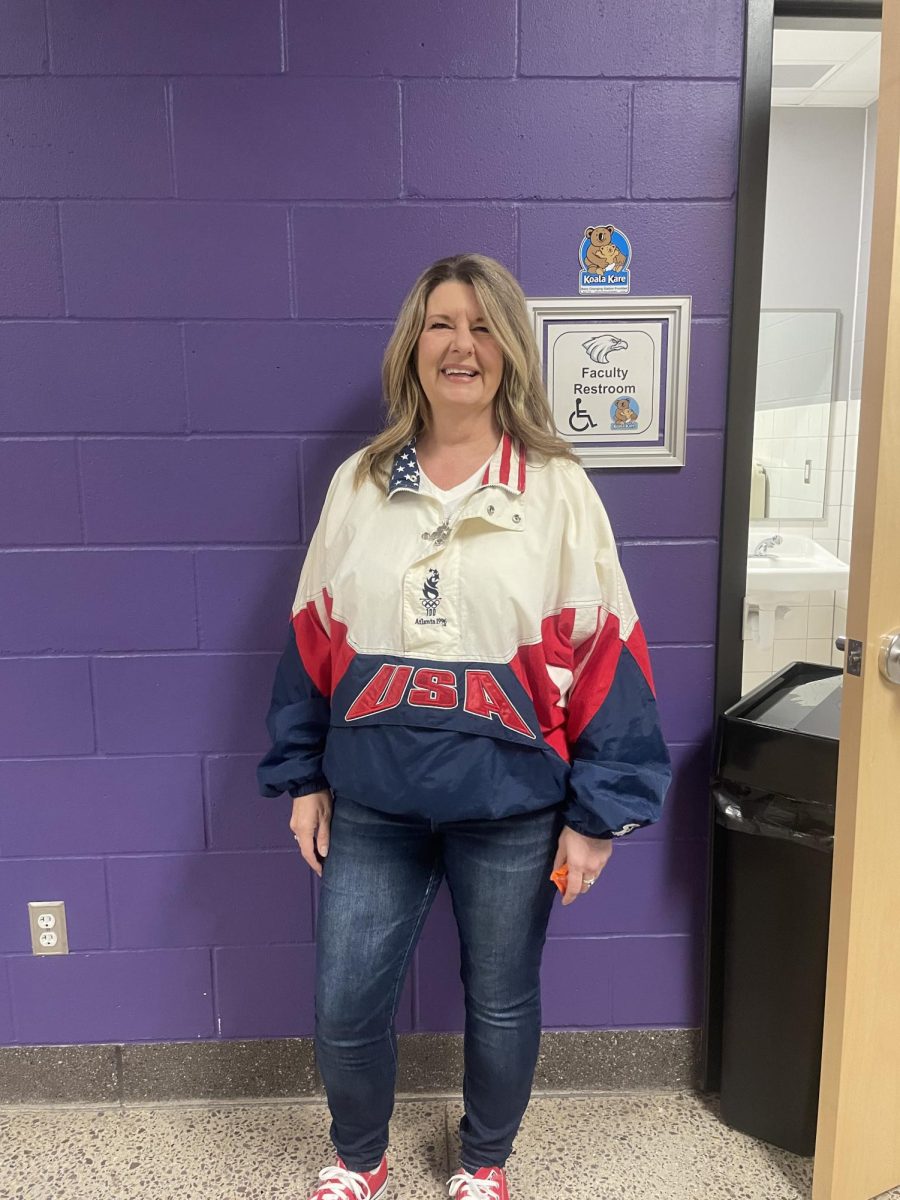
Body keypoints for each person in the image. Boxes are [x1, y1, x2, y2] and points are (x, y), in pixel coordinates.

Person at [257, 253, 671, 1200]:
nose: (462, 345)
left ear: (511, 350)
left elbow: (611, 647)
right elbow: (311, 636)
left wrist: (599, 812)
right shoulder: (358, 485)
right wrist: (303, 778)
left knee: (501, 1000)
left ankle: (485, 1164)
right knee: (346, 1004)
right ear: (414, 345)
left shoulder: (560, 489)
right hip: (373, 801)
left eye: (484, 327)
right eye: (443, 323)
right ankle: (358, 1159)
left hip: (515, 809)